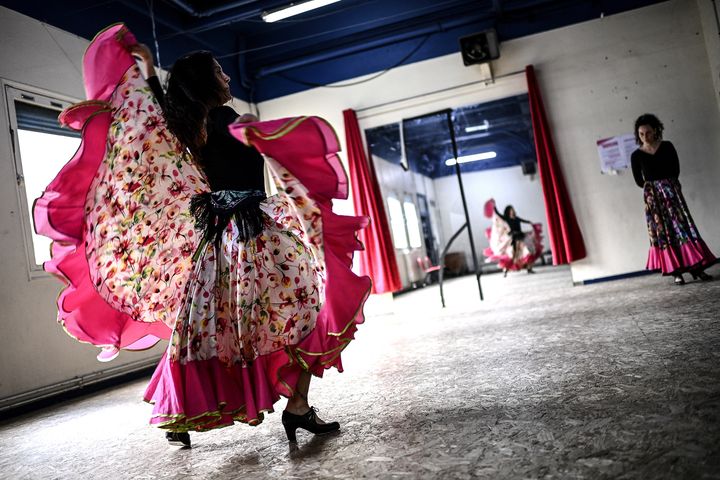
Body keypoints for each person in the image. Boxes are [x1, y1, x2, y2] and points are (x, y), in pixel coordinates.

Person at [33, 25, 370, 449]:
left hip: (222, 237)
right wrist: (254, 132)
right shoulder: (221, 121)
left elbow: (158, 106)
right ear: (205, 83)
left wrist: (151, 71)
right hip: (250, 233)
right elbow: (171, 116)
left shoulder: (185, 125)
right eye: (220, 73)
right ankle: (294, 406)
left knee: (209, 329)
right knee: (299, 310)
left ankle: (197, 414)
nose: (227, 79)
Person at [630, 113, 715, 285]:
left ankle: (697, 268)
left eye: (647, 132)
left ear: (655, 130)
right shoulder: (636, 155)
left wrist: (668, 186)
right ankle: (676, 272)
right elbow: (639, 180)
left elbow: (675, 169)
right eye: (641, 134)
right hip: (654, 200)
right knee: (664, 233)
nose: (644, 136)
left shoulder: (667, 146)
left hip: (672, 194)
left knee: (683, 228)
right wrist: (653, 190)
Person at [483, 198, 543, 276]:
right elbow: (498, 213)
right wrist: (494, 206)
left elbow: (524, 220)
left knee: (528, 249)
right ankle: (506, 270)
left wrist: (530, 223)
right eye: (511, 210)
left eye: (513, 209)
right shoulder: (506, 218)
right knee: (512, 254)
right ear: (508, 211)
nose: (512, 211)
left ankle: (529, 268)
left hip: (520, 235)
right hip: (513, 236)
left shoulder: (517, 218)